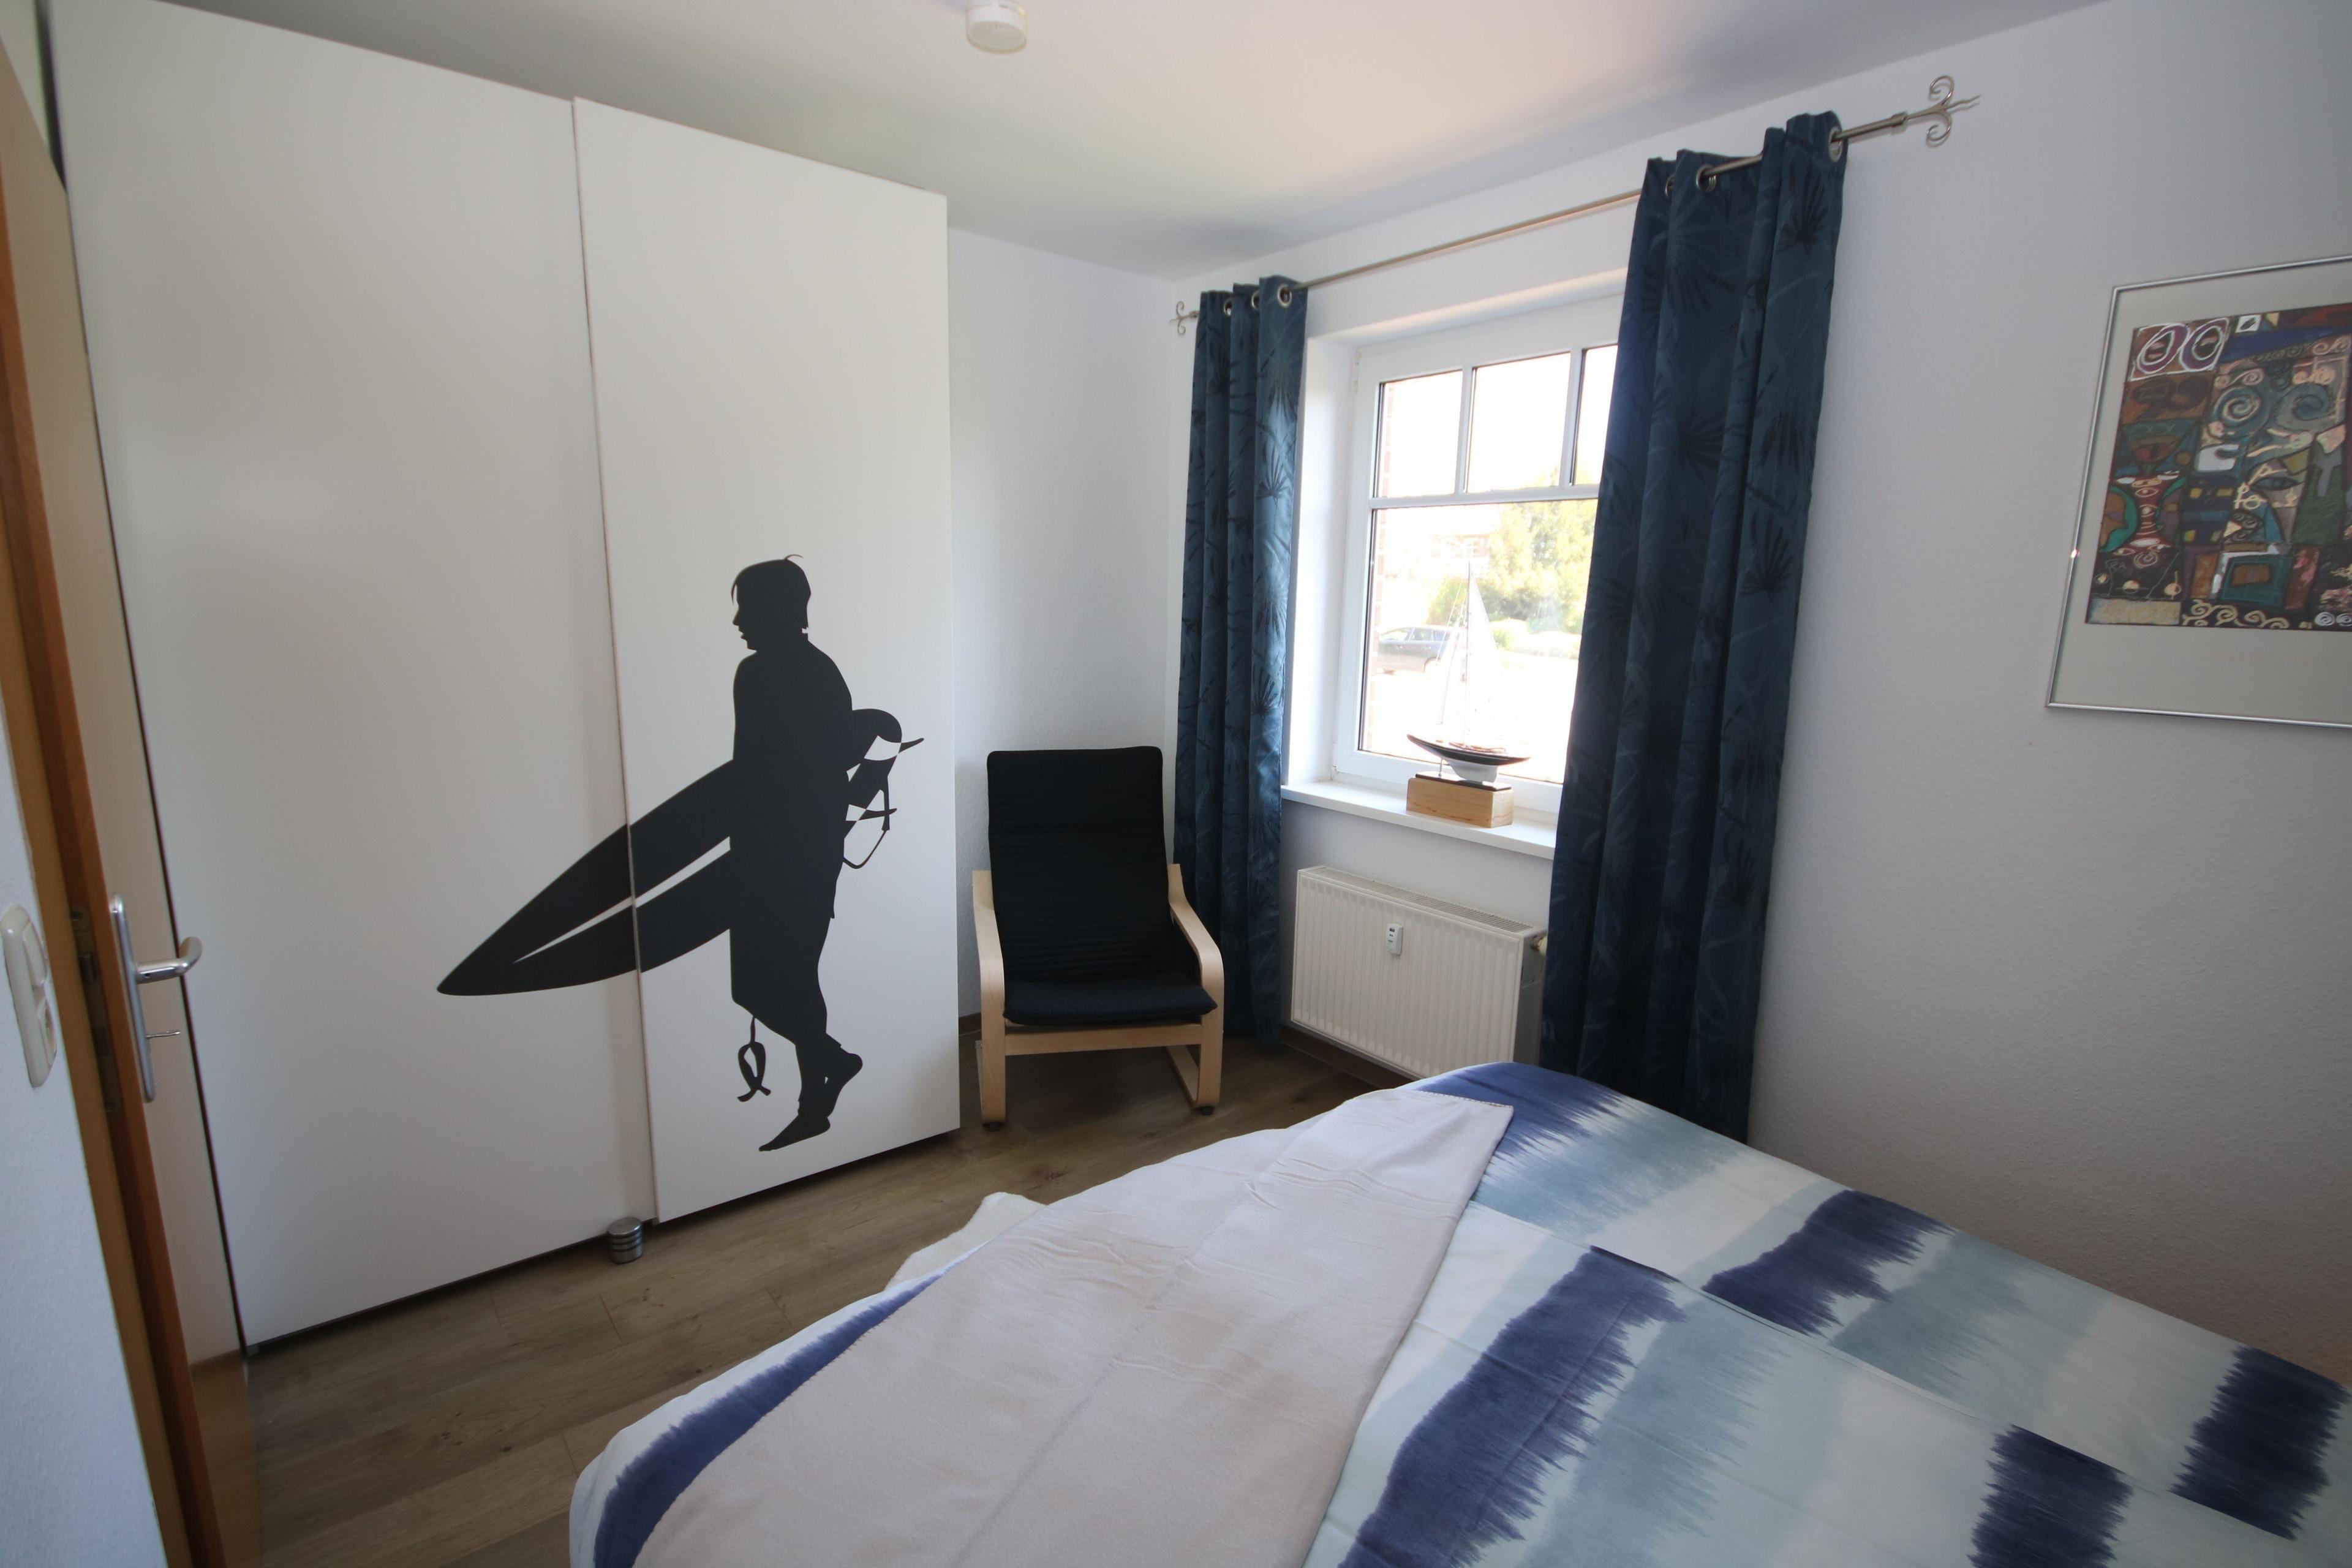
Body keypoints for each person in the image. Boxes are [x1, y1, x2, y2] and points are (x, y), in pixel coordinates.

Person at [440, 557, 913, 1152]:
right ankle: (831, 1063)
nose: (738, 621)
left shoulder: (788, 673)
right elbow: (766, 773)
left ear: (778, 609)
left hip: (793, 860)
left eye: (747, 608)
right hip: (767, 854)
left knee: (787, 978)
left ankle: (816, 1096)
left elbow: (790, 773)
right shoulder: (773, 672)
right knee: (757, 987)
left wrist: (799, 835)